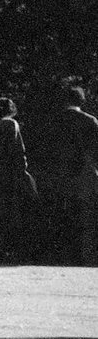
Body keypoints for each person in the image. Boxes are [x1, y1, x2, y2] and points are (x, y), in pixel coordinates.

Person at [0, 96, 39, 264]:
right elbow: (18, 151)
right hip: (6, 175)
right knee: (6, 212)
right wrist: (23, 172)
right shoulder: (10, 125)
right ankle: (4, 250)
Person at [64, 79, 98, 264]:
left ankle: (62, 254)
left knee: (63, 214)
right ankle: (86, 255)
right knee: (86, 216)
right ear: (82, 100)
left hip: (59, 173)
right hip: (84, 173)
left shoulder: (53, 121)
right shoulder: (90, 121)